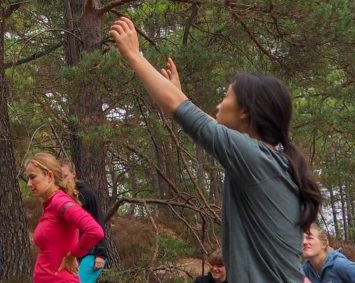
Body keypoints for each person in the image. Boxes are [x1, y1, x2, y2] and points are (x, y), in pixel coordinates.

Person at [109, 16, 322, 281]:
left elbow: (184, 113)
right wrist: (176, 94)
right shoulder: (268, 160)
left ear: (245, 111)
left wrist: (134, 56)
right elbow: (195, 116)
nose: (219, 105)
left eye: (226, 96)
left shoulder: (254, 157)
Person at [25, 152, 104, 283]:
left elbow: (95, 231)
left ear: (49, 176)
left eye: (33, 177)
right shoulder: (50, 204)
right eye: (28, 178)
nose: (29, 183)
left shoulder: (60, 202)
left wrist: (73, 255)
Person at [58, 158, 107, 282]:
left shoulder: (87, 195)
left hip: (91, 253)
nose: (63, 181)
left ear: (73, 173)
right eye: (59, 178)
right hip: (70, 255)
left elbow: (99, 224)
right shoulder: (59, 198)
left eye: (65, 176)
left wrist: (100, 255)